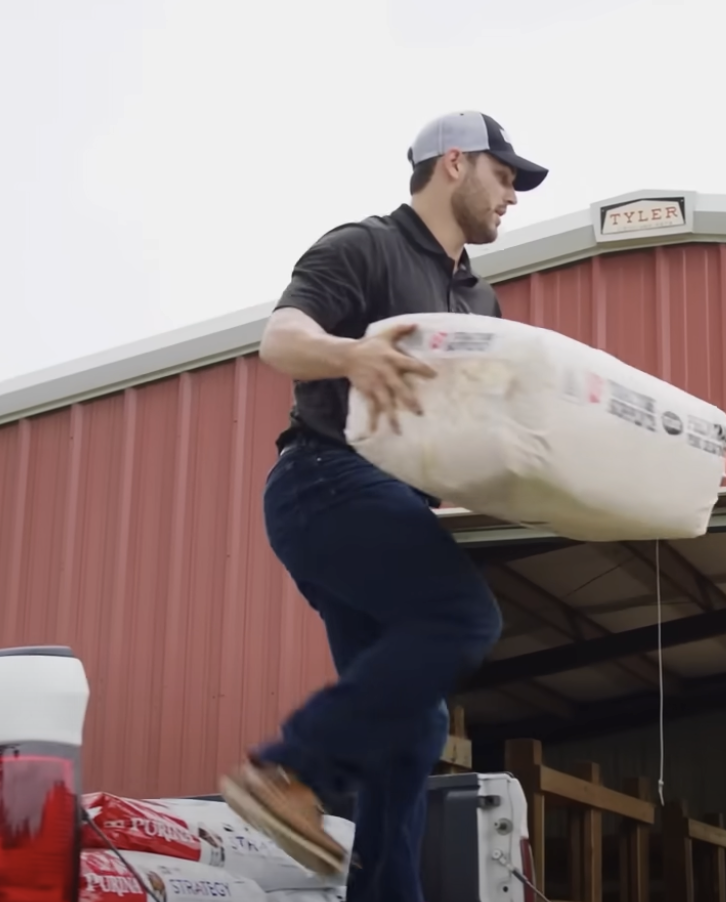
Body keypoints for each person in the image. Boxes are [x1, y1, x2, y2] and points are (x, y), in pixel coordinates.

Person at [219, 111, 549, 902]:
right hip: (325, 482)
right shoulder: (363, 247)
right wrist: (352, 353)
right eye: (504, 176)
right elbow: (280, 340)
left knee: (416, 727)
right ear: (455, 164)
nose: (512, 195)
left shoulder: (480, 302)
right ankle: (290, 768)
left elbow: (467, 427)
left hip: (392, 499)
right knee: (462, 619)